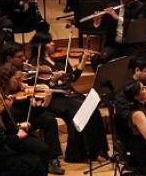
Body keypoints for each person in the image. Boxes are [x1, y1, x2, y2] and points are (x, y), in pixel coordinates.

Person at [28, 31, 109, 164]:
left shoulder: (60, 58)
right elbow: (39, 88)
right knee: (80, 111)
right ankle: (77, 154)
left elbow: (73, 77)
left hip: (69, 93)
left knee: (92, 108)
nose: (53, 44)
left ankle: (98, 151)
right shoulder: (35, 63)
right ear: (41, 45)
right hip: (54, 97)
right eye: (49, 42)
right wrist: (53, 81)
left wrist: (84, 59)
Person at [0, 63, 65, 175]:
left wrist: (44, 104)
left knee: (49, 120)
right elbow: (5, 120)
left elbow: (33, 112)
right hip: (15, 125)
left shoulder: (22, 90)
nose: (20, 82)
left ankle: (53, 159)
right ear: (7, 79)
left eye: (21, 79)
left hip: (28, 119)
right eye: (17, 79)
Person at [90, 0, 146, 68]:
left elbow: (137, 24)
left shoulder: (141, 7)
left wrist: (118, 18)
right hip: (114, 46)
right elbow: (102, 27)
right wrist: (97, 23)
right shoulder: (111, 7)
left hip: (133, 46)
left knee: (133, 60)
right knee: (97, 59)